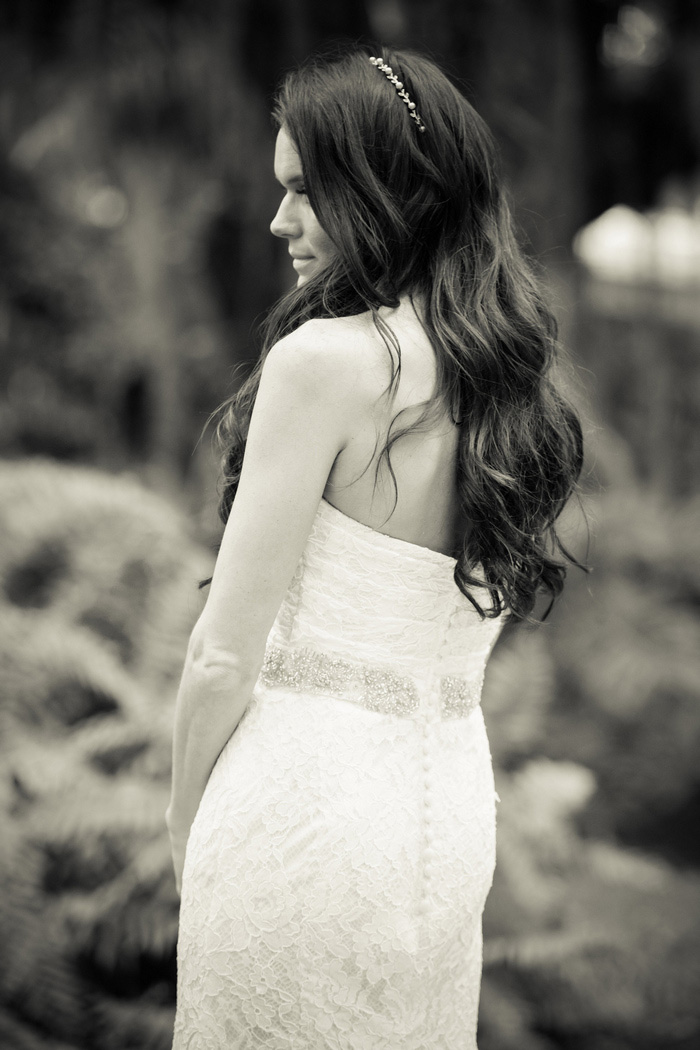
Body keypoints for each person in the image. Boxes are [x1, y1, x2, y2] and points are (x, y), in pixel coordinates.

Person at [166, 45, 584, 1050]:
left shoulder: (324, 364)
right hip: (440, 830)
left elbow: (223, 654)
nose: (280, 222)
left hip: (299, 821)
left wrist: (186, 827)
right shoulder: (507, 387)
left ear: (385, 190)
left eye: (307, 191)